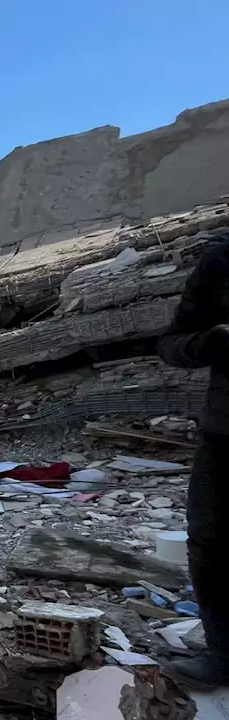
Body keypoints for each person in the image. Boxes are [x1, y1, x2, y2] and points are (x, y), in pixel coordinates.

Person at [156, 241, 229, 688]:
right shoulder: (220, 262)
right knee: (212, 544)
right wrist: (212, 342)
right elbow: (170, 344)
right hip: (225, 435)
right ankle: (223, 652)